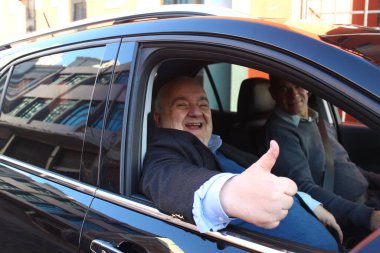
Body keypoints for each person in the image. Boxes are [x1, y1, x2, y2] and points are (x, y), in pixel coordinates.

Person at [139, 76, 341, 251]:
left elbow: (262, 183)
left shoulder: (220, 145)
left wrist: (310, 204)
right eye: (182, 105)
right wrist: (227, 193)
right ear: (159, 118)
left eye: (202, 104)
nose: (196, 112)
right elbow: (163, 176)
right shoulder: (162, 149)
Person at [262, 75, 380, 243]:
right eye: (283, 89)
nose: (294, 95)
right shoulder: (281, 133)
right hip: (350, 216)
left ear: (307, 88)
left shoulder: (315, 119)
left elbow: (344, 165)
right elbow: (303, 188)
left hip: (369, 198)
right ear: (273, 93)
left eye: (298, 86)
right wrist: (367, 217)